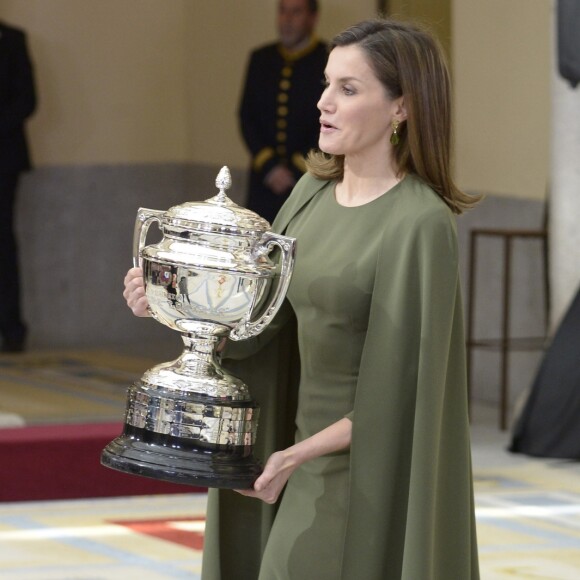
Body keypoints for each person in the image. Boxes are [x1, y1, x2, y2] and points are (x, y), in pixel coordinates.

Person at [124, 17, 480, 580]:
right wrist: (173, 305)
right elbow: (262, 327)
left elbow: (408, 399)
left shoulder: (420, 223)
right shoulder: (311, 192)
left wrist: (297, 457)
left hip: (361, 474)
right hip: (285, 455)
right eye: (325, 84)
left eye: (348, 88)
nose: (324, 103)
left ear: (402, 108)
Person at [239, 0, 327, 224]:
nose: (287, 20)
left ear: (312, 18)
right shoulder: (261, 59)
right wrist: (269, 166)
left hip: (308, 178)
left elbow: (329, 118)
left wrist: (299, 166)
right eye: (282, 11)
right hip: (263, 182)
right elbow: (246, 116)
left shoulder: (326, 59)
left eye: (296, 12)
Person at [0, 20, 37, 353]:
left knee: (3, 241)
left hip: (4, 158)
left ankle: (11, 327)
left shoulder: (12, 39)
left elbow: (27, 99)